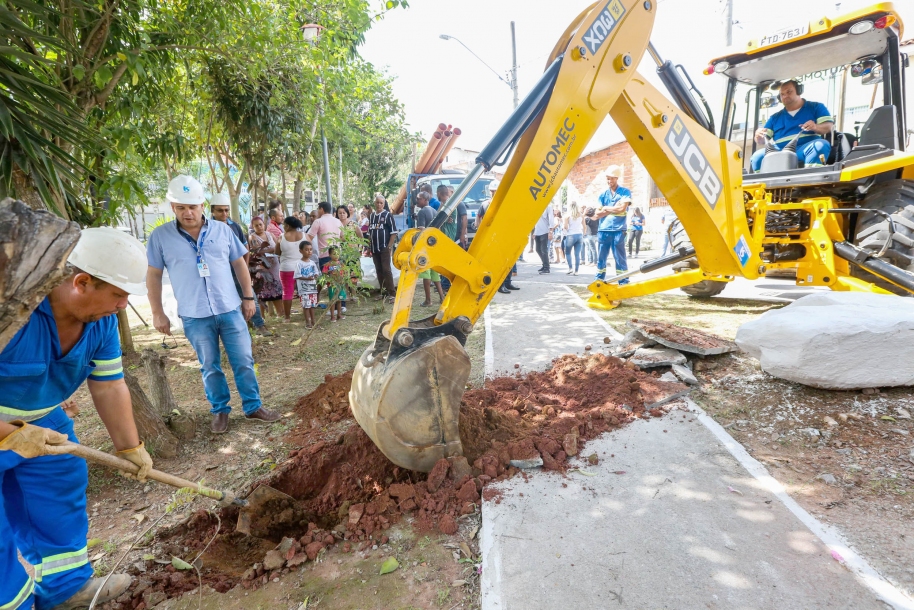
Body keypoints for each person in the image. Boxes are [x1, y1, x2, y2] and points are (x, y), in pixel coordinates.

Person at [0, 228, 151, 610]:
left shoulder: (100, 323)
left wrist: (129, 446)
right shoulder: (12, 313)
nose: (123, 304)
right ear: (81, 282)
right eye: (118, 294)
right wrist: (11, 434)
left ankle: (66, 588)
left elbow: (109, 385)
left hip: (43, 422)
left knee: (58, 500)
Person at [148, 176, 279, 434]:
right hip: (194, 314)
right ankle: (220, 410)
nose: (188, 212)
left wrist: (248, 297)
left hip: (229, 308)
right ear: (173, 207)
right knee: (209, 365)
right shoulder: (160, 237)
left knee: (243, 359)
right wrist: (157, 312)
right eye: (181, 207)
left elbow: (240, 264)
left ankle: (253, 406)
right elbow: (153, 274)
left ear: (202, 205)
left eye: (193, 206)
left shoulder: (223, 231)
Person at [210, 193, 271, 336]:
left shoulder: (234, 227)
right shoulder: (207, 228)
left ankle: (259, 325)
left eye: (226, 210)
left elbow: (245, 248)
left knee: (249, 295)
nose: (224, 213)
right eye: (220, 210)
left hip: (236, 270)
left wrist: (244, 266)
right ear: (212, 211)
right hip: (217, 272)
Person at [751, 80, 833, 172]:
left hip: (805, 148)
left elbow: (828, 126)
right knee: (757, 157)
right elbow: (761, 140)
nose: (785, 96)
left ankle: (809, 181)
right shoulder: (774, 118)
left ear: (799, 90)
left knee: (820, 145)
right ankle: (766, 185)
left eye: (789, 92)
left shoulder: (816, 107)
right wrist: (758, 136)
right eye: (782, 94)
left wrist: (815, 127)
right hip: (779, 151)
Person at [475, 183, 519, 294]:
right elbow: (478, 219)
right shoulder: (485, 204)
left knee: (508, 259)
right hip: (491, 237)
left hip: (504, 236)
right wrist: (481, 232)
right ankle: (500, 285)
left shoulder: (505, 203)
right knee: (498, 261)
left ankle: (507, 282)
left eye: (495, 191)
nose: (494, 193)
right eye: (492, 191)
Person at [595, 165, 631, 284]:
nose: (609, 181)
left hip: (618, 230)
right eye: (607, 178)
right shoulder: (603, 195)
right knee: (601, 258)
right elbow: (598, 214)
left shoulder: (625, 192)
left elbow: (622, 208)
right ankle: (599, 281)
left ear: (617, 178)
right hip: (603, 230)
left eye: (611, 178)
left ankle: (623, 282)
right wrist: (613, 208)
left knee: (620, 258)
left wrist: (606, 208)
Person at [415, 191, 446, 305]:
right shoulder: (434, 211)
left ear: (424, 199)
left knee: (425, 273)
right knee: (435, 273)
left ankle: (428, 300)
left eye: (418, 198)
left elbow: (422, 230)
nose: (417, 200)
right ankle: (442, 297)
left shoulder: (422, 212)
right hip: (434, 245)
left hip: (425, 246)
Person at [248, 216, 283, 318]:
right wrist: (270, 250)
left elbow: (278, 246)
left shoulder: (270, 234)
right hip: (262, 267)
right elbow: (256, 251)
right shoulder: (252, 237)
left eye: (260, 224)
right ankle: (262, 316)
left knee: (277, 290)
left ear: (264, 224)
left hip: (274, 266)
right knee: (262, 292)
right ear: (253, 227)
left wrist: (272, 250)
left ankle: (280, 313)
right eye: (256, 225)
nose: (259, 227)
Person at [275, 216, 307, 322]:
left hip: (286, 268)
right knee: (304, 291)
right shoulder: (305, 236)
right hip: (302, 267)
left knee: (287, 292)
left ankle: (287, 317)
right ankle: (307, 314)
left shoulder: (281, 237)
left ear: (287, 226)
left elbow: (277, 252)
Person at [368, 194, 398, 303]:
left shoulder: (387, 215)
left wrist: (389, 246)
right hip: (374, 248)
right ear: (374, 203)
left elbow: (393, 232)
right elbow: (370, 232)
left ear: (384, 204)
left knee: (386, 270)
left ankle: (392, 293)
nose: (379, 204)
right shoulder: (371, 216)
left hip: (384, 248)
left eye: (381, 203)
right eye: (377, 202)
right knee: (378, 270)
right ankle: (383, 292)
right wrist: (368, 246)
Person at [307, 201, 343, 269]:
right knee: (337, 277)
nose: (317, 211)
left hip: (324, 256)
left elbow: (309, 239)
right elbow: (343, 237)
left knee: (326, 278)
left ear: (322, 209)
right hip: (337, 255)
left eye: (318, 209)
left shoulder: (318, 221)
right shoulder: (338, 221)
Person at [294, 241, 320, 329]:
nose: (309, 251)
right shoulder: (299, 263)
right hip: (304, 289)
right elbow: (297, 275)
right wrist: (307, 278)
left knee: (312, 305)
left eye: (310, 249)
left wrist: (315, 275)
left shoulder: (312, 263)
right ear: (301, 251)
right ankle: (308, 323)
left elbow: (316, 272)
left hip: (312, 288)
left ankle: (314, 322)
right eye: (306, 250)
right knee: (306, 306)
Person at [322, 247, 346, 322]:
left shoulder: (341, 264)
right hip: (332, 285)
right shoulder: (327, 264)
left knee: (339, 300)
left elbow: (345, 273)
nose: (336, 256)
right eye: (334, 254)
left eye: (338, 254)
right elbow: (324, 273)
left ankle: (339, 314)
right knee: (332, 301)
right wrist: (329, 275)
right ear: (329, 254)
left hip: (340, 285)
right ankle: (332, 316)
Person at [563, 202, 585, 275]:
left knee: (568, 252)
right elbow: (584, 226)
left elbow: (565, 227)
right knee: (577, 254)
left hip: (571, 235)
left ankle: (570, 268)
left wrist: (566, 230)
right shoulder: (581, 215)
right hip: (579, 235)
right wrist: (583, 234)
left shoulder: (567, 216)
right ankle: (576, 271)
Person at [533, 204, 555, 274]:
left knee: (543, 250)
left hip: (545, 231)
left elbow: (551, 219)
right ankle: (545, 264)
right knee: (538, 249)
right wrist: (534, 232)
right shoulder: (537, 204)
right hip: (537, 231)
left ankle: (546, 267)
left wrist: (550, 231)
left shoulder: (548, 206)